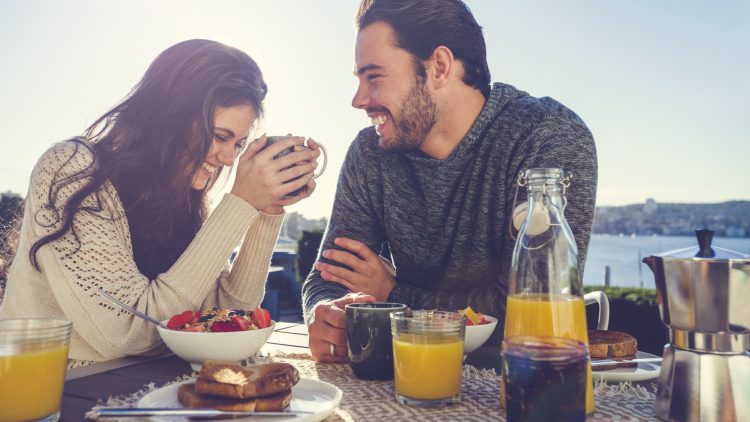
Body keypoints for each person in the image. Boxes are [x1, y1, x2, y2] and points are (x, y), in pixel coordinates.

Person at [302, 0, 597, 362]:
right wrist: (327, 313)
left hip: (519, 384)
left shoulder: (546, 136)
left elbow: (529, 310)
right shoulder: (370, 153)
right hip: (402, 378)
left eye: (374, 76)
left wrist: (394, 295)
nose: (358, 99)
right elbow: (329, 277)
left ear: (439, 67)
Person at [0, 39, 322, 367]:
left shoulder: (183, 195)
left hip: (145, 386)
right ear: (168, 115)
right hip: (55, 391)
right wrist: (240, 202)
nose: (228, 159)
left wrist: (265, 210)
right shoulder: (71, 170)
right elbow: (130, 331)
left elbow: (223, 316)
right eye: (220, 136)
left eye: (238, 145)